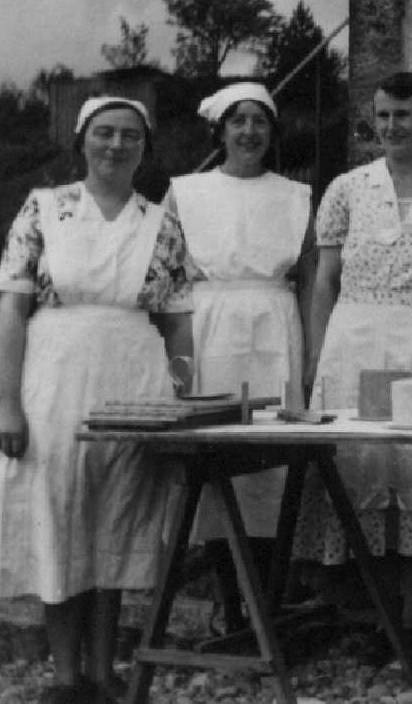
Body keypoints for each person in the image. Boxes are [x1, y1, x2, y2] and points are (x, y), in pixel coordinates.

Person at [0, 96, 191, 704]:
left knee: (116, 516)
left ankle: (105, 673)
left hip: (134, 381)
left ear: (145, 147)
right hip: (53, 379)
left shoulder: (160, 224)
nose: (116, 146)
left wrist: (184, 395)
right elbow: (10, 311)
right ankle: (64, 677)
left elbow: (179, 324)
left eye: (130, 136)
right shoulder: (44, 209)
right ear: (83, 141)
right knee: (57, 514)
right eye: (104, 134)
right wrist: (7, 403)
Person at [295, 71, 412, 659]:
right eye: (382, 116)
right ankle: (371, 615)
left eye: (403, 114)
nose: (392, 126)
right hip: (356, 338)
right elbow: (323, 281)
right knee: (360, 464)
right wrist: (317, 356)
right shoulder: (347, 189)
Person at [166, 82, 313, 630]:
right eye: (238, 121)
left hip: (275, 327)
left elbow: (311, 275)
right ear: (220, 130)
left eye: (260, 122)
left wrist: (312, 351)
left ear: (272, 132)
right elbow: (169, 279)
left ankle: (267, 608)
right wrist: (176, 359)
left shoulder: (296, 196)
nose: (249, 132)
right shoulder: (187, 192)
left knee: (273, 466)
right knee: (219, 461)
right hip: (211, 329)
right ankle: (229, 605)